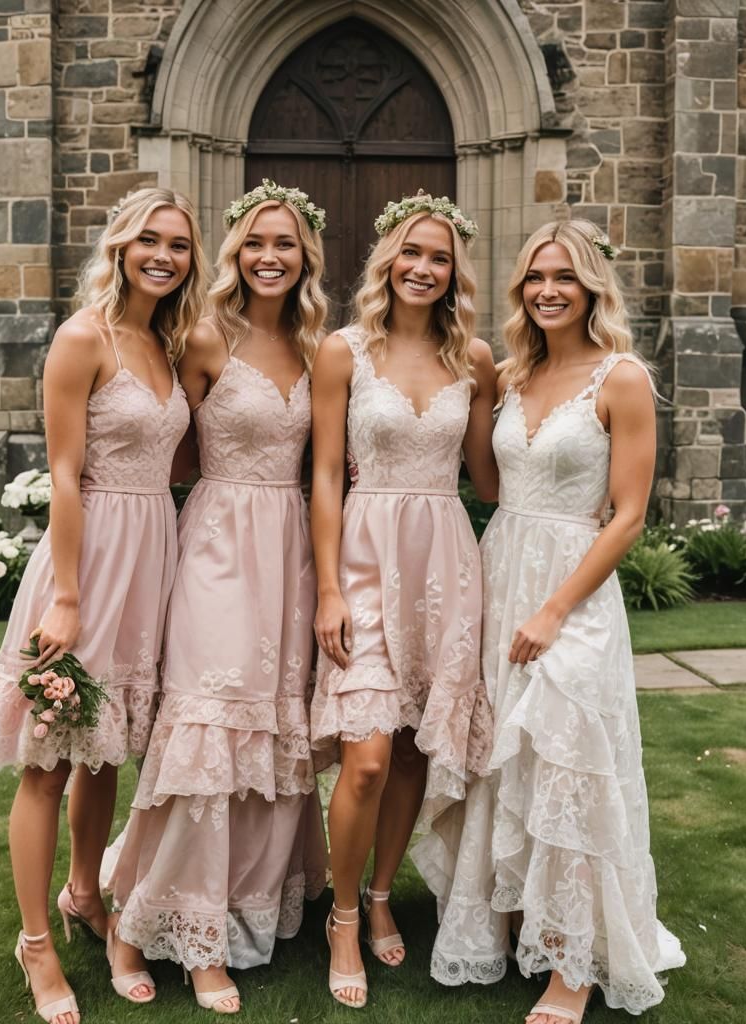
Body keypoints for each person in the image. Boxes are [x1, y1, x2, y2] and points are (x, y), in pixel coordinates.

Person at [413, 220, 686, 1023]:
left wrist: (556, 608)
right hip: (501, 569)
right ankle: (499, 919)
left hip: (571, 589)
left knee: (568, 755)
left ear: (592, 285)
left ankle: (573, 965)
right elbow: (491, 487)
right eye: (535, 277)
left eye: (564, 276)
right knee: (501, 758)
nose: (547, 290)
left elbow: (630, 515)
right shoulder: (512, 373)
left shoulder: (622, 377)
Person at [0, 187, 208, 1023]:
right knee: (48, 762)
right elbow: (65, 473)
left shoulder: (166, 346)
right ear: (121, 245)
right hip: (89, 559)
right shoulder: (82, 338)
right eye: (150, 240)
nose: (163, 255)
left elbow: (175, 463)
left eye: (178, 244)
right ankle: (37, 946)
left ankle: (83, 894)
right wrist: (65, 598)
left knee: (104, 754)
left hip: (151, 562)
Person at [104, 181, 330, 1015]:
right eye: (254, 243)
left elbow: (327, 464)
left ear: (306, 256)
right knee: (207, 729)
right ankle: (158, 929)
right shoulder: (201, 339)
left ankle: (243, 903)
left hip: (288, 548)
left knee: (269, 732)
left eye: (286, 243)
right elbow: (168, 449)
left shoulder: (316, 346)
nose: (270, 257)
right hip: (216, 545)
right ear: (233, 252)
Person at [309, 193, 497, 1009]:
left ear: (456, 272)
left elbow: (490, 478)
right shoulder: (342, 351)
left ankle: (384, 892)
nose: (425, 268)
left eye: (441, 257)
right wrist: (325, 588)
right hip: (364, 556)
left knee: (418, 747)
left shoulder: (477, 361)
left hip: (446, 561)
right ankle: (343, 916)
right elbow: (320, 475)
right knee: (368, 757)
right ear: (387, 261)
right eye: (412, 253)